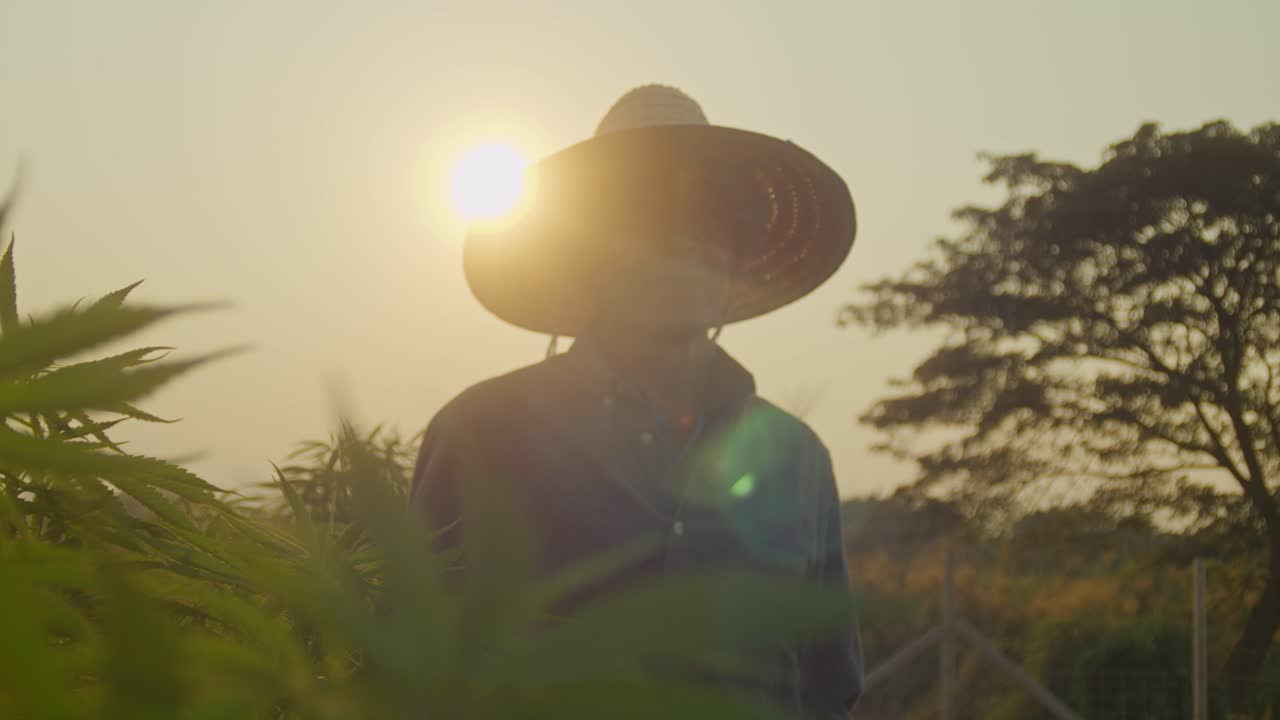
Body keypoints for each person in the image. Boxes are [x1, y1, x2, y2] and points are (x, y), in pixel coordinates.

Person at [410, 84, 862, 718]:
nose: (684, 242)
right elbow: (413, 674)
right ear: (589, 256)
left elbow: (826, 690)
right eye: (648, 219)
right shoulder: (483, 435)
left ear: (736, 258)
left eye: (711, 218)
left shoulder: (797, 461)